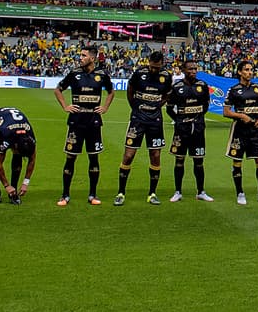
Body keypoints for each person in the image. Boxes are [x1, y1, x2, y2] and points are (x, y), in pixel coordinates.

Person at [54, 45, 115, 206]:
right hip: (76, 121)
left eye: (83, 55)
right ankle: (65, 195)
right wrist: (65, 106)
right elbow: (58, 90)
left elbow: (111, 92)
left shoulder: (101, 75)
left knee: (93, 157)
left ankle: (92, 195)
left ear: (93, 58)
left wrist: (105, 107)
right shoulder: (74, 73)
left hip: (93, 122)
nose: (80, 58)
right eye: (80, 55)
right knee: (70, 158)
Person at [115, 51, 172, 206]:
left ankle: (152, 193)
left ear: (162, 64)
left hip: (155, 121)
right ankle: (121, 192)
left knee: (155, 155)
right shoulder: (139, 73)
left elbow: (167, 94)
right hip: (138, 119)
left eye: (157, 67)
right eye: (152, 67)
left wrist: (159, 105)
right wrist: (134, 106)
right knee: (128, 155)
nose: (154, 70)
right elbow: (130, 89)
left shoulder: (166, 76)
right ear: (149, 63)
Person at [166, 60, 213, 201]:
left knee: (199, 161)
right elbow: (169, 108)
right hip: (181, 130)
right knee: (179, 160)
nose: (193, 71)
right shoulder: (177, 87)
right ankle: (178, 192)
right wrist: (179, 120)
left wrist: (197, 118)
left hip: (198, 129)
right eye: (190, 69)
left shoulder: (202, 86)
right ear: (183, 70)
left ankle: (201, 191)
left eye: (195, 69)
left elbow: (205, 105)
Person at [225, 62, 258, 205]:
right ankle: (240, 193)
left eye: (251, 70)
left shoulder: (257, 88)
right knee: (237, 161)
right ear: (239, 72)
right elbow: (226, 112)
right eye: (246, 70)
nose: (250, 72)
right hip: (239, 130)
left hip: (255, 131)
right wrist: (242, 116)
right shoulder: (234, 90)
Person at [0, 107, 36, 204]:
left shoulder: (31, 139)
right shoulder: (7, 139)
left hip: (12, 126)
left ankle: (13, 193)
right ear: (15, 145)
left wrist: (26, 183)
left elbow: (32, 160)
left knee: (17, 156)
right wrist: (6, 185)